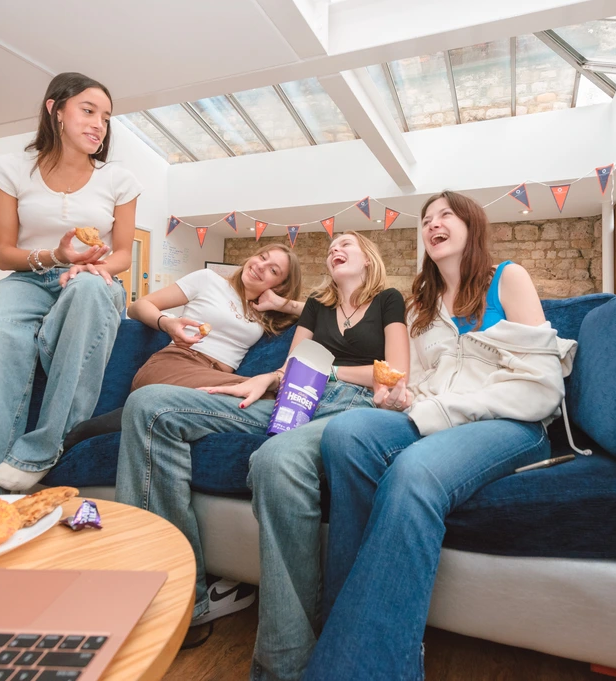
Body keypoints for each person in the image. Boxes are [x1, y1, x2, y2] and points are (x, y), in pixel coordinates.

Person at [304, 192, 578, 681]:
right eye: (426, 219)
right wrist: (402, 398)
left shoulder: (506, 279)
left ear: (471, 225)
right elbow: (418, 382)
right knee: (346, 434)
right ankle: (344, 626)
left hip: (511, 424)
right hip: (438, 414)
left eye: (445, 215)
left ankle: (358, 667)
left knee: (413, 471)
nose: (433, 224)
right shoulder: (421, 304)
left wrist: (432, 411)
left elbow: (540, 388)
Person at [115, 232, 408, 666]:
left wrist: (328, 372)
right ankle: (177, 599)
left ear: (368, 258)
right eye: (331, 247)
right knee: (148, 405)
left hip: (352, 406)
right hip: (296, 398)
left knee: (273, 461)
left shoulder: (388, 299)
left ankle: (283, 665)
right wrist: (266, 379)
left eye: (346, 244)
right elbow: (292, 366)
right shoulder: (317, 305)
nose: (335, 250)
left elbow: (394, 373)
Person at [0, 72, 142, 499]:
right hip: (28, 277)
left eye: (106, 116)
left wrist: (89, 266)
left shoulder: (119, 180)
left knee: (87, 291)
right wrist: (57, 257)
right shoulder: (9, 169)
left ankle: (42, 449)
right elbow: (3, 252)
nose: (99, 123)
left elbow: (123, 254)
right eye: (88, 110)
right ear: (55, 109)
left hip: (93, 279)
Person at [61, 245, 305, 447]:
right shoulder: (208, 280)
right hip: (173, 364)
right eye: (261, 257)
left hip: (210, 379)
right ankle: (130, 414)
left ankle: (134, 416)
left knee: (267, 400)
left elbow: (321, 313)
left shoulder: (265, 312)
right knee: (273, 400)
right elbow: (137, 307)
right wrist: (167, 323)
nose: (260, 266)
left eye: (273, 270)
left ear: (281, 285)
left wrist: (283, 304)